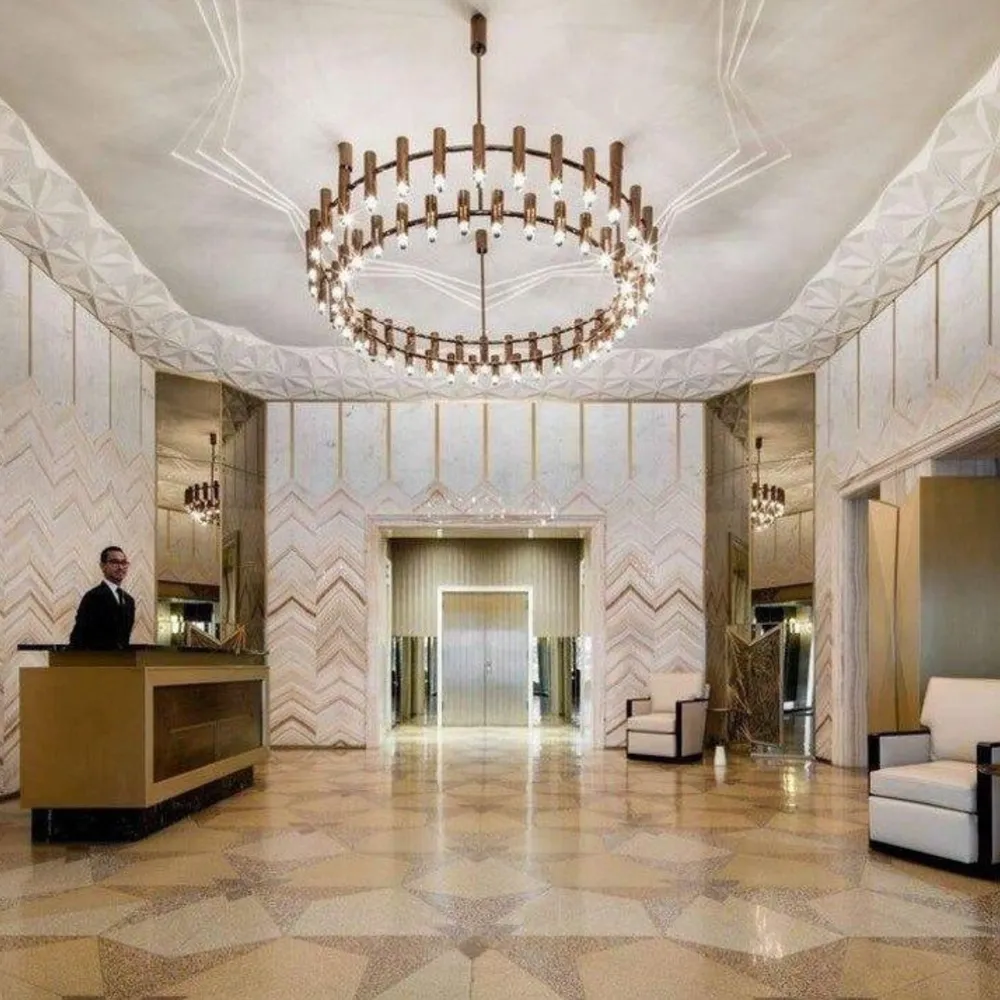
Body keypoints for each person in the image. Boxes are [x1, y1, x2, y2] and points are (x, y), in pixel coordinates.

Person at [69, 546, 135, 650]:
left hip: (122, 662)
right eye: (115, 562)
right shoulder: (93, 596)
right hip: (97, 661)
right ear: (103, 566)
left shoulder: (129, 600)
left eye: (124, 563)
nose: (121, 567)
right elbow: (79, 635)